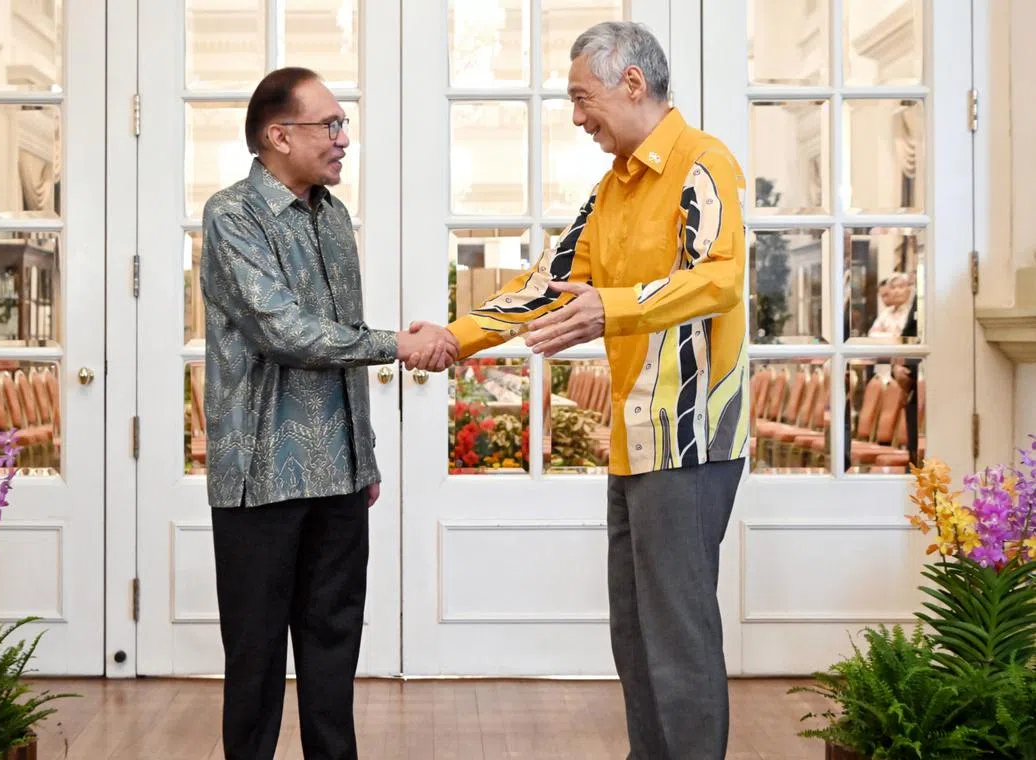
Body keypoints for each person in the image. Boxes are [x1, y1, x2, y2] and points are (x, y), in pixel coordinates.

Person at [411, 21, 749, 760]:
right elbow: (547, 286)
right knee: (634, 630)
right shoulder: (612, 189)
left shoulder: (704, 163)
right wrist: (452, 337)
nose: (576, 116)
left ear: (633, 82)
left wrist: (615, 306)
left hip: (690, 437)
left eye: (580, 96)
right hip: (637, 439)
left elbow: (720, 277)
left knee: (678, 635)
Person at [199, 67, 456, 760]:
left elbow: (340, 335)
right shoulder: (232, 216)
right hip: (261, 477)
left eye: (344, 125)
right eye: (330, 125)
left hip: (339, 477)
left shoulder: (334, 216)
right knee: (254, 662)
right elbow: (281, 331)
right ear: (277, 135)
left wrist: (362, 455)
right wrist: (398, 346)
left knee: (334, 650)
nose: (345, 139)